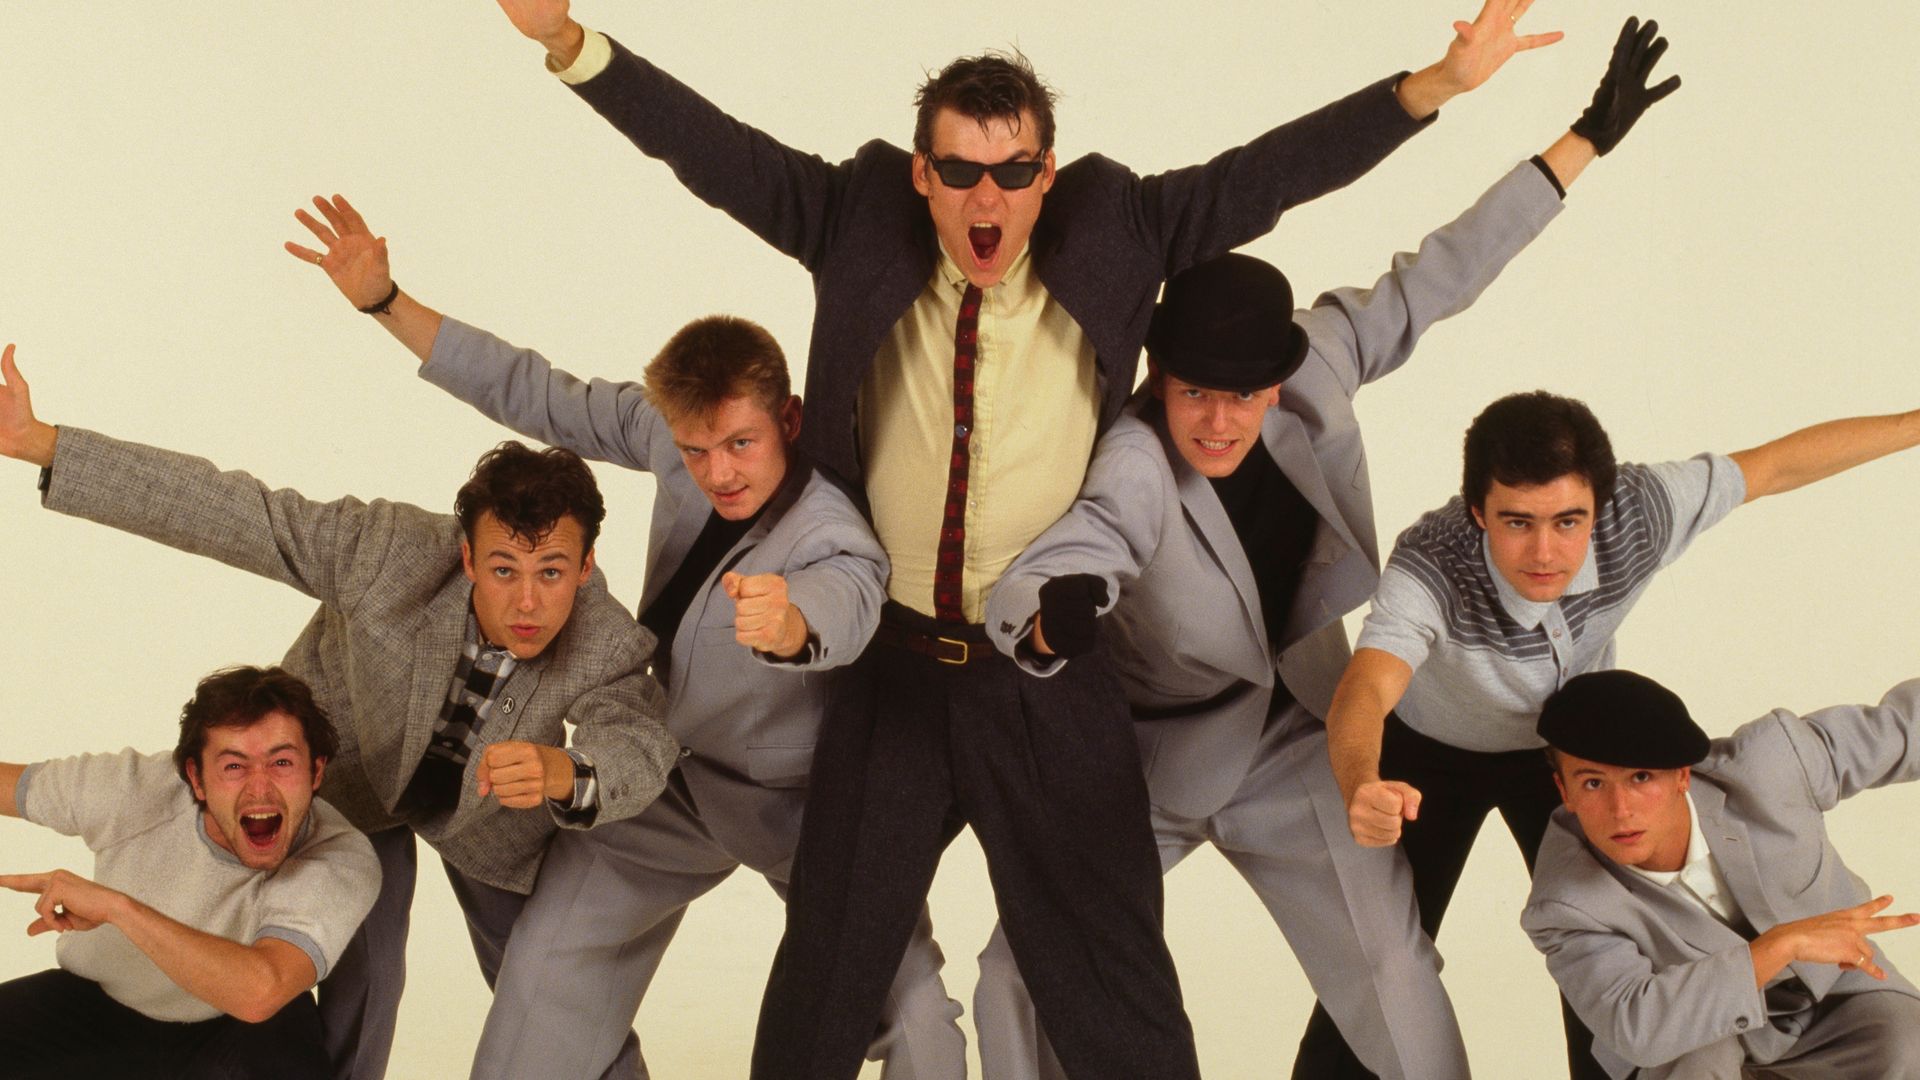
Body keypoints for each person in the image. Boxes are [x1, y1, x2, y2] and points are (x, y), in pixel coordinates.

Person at [492, 2, 1557, 1076]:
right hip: (892, 668)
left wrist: (1432, 87)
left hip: (1046, 670)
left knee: (1108, 975)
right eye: (959, 173)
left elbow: (1266, 175)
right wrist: (575, 46)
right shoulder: (853, 218)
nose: (986, 197)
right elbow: (714, 152)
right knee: (828, 970)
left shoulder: (1119, 228)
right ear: (923, 175)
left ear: (1048, 174)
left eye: (1014, 172)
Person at [968, 23, 1666, 1076]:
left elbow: (1441, 274)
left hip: (1291, 737)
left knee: (1391, 968)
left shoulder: (1314, 371)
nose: (1220, 420)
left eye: (1242, 394)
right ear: (1162, 380)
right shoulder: (1135, 457)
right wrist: (1051, 609)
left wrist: (1577, 146)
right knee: (1018, 972)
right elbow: (1082, 549)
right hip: (1139, 765)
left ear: (1275, 377)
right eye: (1197, 392)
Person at [283, 198, 964, 1080]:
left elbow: (849, 601)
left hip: (808, 810)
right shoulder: (670, 440)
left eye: (741, 444)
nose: (717, 471)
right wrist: (388, 303)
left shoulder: (834, 534)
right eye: (696, 448)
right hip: (668, 782)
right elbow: (537, 391)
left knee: (910, 1007)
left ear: (788, 423)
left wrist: (793, 627)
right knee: (542, 979)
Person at [1325, 236, 1920, 1077]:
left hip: (1577, 756)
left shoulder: (1640, 510)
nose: (1543, 551)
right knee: (1377, 961)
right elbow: (1365, 685)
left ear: (1597, 508)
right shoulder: (1436, 561)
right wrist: (1360, 782)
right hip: (1432, 759)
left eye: (1567, 521)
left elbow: (1780, 465)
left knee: (1610, 980)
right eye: (1516, 522)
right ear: (1476, 511)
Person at [0, 343, 677, 1080]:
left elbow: (638, 743)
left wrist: (566, 770)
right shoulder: (386, 552)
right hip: (339, 786)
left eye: (552, 573)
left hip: (494, 822)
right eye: (504, 569)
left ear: (585, 568)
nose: (526, 601)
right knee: (366, 976)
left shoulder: (605, 637)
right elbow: (237, 512)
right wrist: (46, 444)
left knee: (555, 988)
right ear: (465, 556)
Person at [1523, 669, 1920, 1078]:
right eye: (1592, 784)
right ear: (1564, 790)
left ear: (1682, 774)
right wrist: (1779, 946)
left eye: (1641, 777)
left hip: (1836, 1000)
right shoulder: (1565, 902)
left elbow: (1903, 729)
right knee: (1695, 1054)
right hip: (1698, 1046)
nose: (1620, 809)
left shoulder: (1773, 765)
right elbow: (1636, 1025)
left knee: (1906, 1037)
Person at [0, 665, 379, 1080]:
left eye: (282, 762)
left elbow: (260, 993)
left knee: (281, 1035)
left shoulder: (337, 855)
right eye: (234, 766)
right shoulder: (136, 789)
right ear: (196, 779)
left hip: (235, 1027)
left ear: (316, 772)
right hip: (97, 1006)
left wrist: (118, 909)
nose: (260, 788)